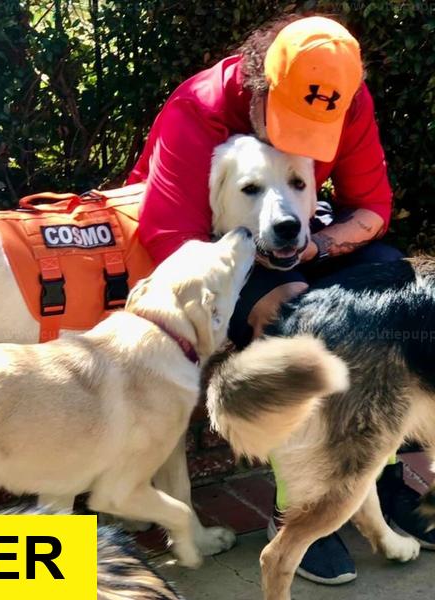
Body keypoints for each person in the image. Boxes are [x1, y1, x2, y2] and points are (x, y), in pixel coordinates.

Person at [126, 15, 431, 585]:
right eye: (289, 124)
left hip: (298, 237)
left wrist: (314, 248)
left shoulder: (347, 99)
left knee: (386, 277)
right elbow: (171, 242)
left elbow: (372, 210)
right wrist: (257, 298)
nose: (298, 143)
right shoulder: (197, 111)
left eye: (314, 134)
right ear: (257, 87)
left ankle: (375, 480)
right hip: (212, 253)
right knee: (292, 308)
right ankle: (294, 509)